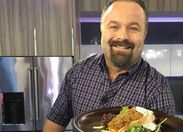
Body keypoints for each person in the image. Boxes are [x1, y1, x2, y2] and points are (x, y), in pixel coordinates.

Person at [43, 0, 175, 131]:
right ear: (102, 29)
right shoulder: (77, 73)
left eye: (134, 28)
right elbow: (55, 122)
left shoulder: (158, 88)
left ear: (144, 34)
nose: (123, 36)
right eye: (114, 26)